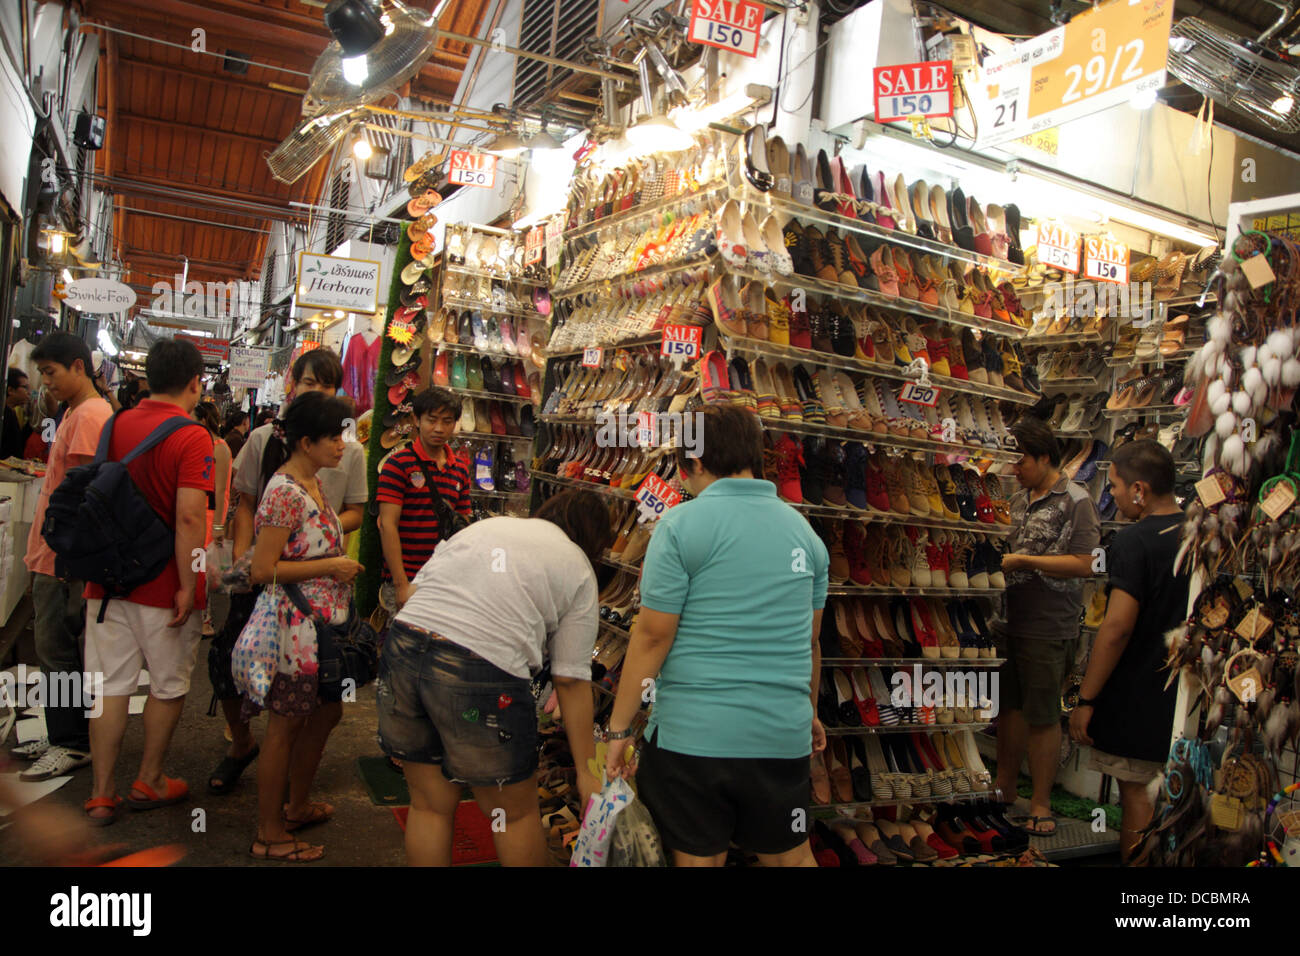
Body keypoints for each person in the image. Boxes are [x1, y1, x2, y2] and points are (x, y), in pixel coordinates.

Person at [605, 404, 830, 867]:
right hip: (780, 735)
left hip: (694, 739)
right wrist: (806, 712)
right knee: (791, 857)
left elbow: (651, 638)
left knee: (698, 859)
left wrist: (620, 729)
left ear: (697, 462)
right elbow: (808, 642)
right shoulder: (805, 535)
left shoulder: (680, 527)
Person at [377, 489, 611, 866]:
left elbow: (419, 594)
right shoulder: (578, 567)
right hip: (479, 669)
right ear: (595, 540)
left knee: (429, 808)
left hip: (403, 648)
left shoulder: (483, 529)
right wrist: (586, 772)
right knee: (513, 817)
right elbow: (570, 680)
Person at [208, 349, 367, 794]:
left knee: (308, 699)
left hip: (311, 590)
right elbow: (246, 503)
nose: (316, 391)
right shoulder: (266, 443)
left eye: (327, 385)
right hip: (276, 575)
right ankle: (243, 746)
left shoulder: (341, 454)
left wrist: (320, 525)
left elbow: (355, 511)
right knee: (231, 662)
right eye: (310, 382)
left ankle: (289, 788)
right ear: (292, 383)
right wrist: (247, 558)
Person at [84, 338, 214, 824]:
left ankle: (100, 793)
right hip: (162, 586)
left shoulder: (114, 422)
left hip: (108, 581)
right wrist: (190, 583)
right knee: (166, 684)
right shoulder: (193, 436)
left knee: (111, 686)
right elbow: (189, 520)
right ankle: (150, 778)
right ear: (194, 383)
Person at [231, 391, 362, 862]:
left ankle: (296, 805)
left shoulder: (312, 482)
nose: (342, 446)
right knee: (284, 729)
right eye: (334, 438)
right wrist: (333, 565)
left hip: (318, 628)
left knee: (325, 713)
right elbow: (262, 570)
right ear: (306, 442)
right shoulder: (286, 490)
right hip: (293, 631)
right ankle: (270, 832)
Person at [1069, 440, 1188, 861]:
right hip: (1182, 697)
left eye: (1116, 485)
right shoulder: (1194, 534)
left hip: (1138, 692)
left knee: (1137, 794)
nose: (1113, 494)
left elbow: (1116, 628)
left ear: (1139, 489)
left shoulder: (1135, 542)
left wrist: (1086, 698)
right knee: (1168, 798)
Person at [10, 335, 111, 782]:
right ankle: (62, 734)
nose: (45, 381)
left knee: (57, 651)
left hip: (62, 558)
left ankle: (70, 743)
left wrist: (68, 555)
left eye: (50, 372)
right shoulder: (78, 411)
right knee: (58, 651)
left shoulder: (90, 415)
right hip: (54, 554)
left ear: (77, 365)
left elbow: (86, 496)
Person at [995, 416, 1101, 835]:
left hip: (1048, 623)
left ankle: (1041, 801)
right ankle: (1004, 788)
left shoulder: (1076, 500)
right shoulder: (1017, 497)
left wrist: (1025, 561)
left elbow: (1087, 563)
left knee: (1042, 716)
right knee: (1008, 709)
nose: (1013, 469)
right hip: (1007, 618)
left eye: (1019, 461)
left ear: (1043, 457)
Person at [376, 388, 470, 610]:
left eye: (447, 421)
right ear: (417, 420)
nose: (439, 428)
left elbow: (462, 525)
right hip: (406, 579)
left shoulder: (460, 470)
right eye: (432, 420)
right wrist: (401, 585)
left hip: (443, 581)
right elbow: (387, 526)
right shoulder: (398, 464)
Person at [194, 401, 232, 637]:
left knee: (201, 570)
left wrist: (219, 524)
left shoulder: (220, 446)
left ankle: (205, 619)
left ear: (203, 420)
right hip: (196, 513)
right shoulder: (199, 444)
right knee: (194, 567)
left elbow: (221, 490)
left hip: (209, 515)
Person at [2, 368, 32, 459]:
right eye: (25, 387)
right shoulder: (5, 415)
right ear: (10, 390)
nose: (29, 392)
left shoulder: (13, 412)